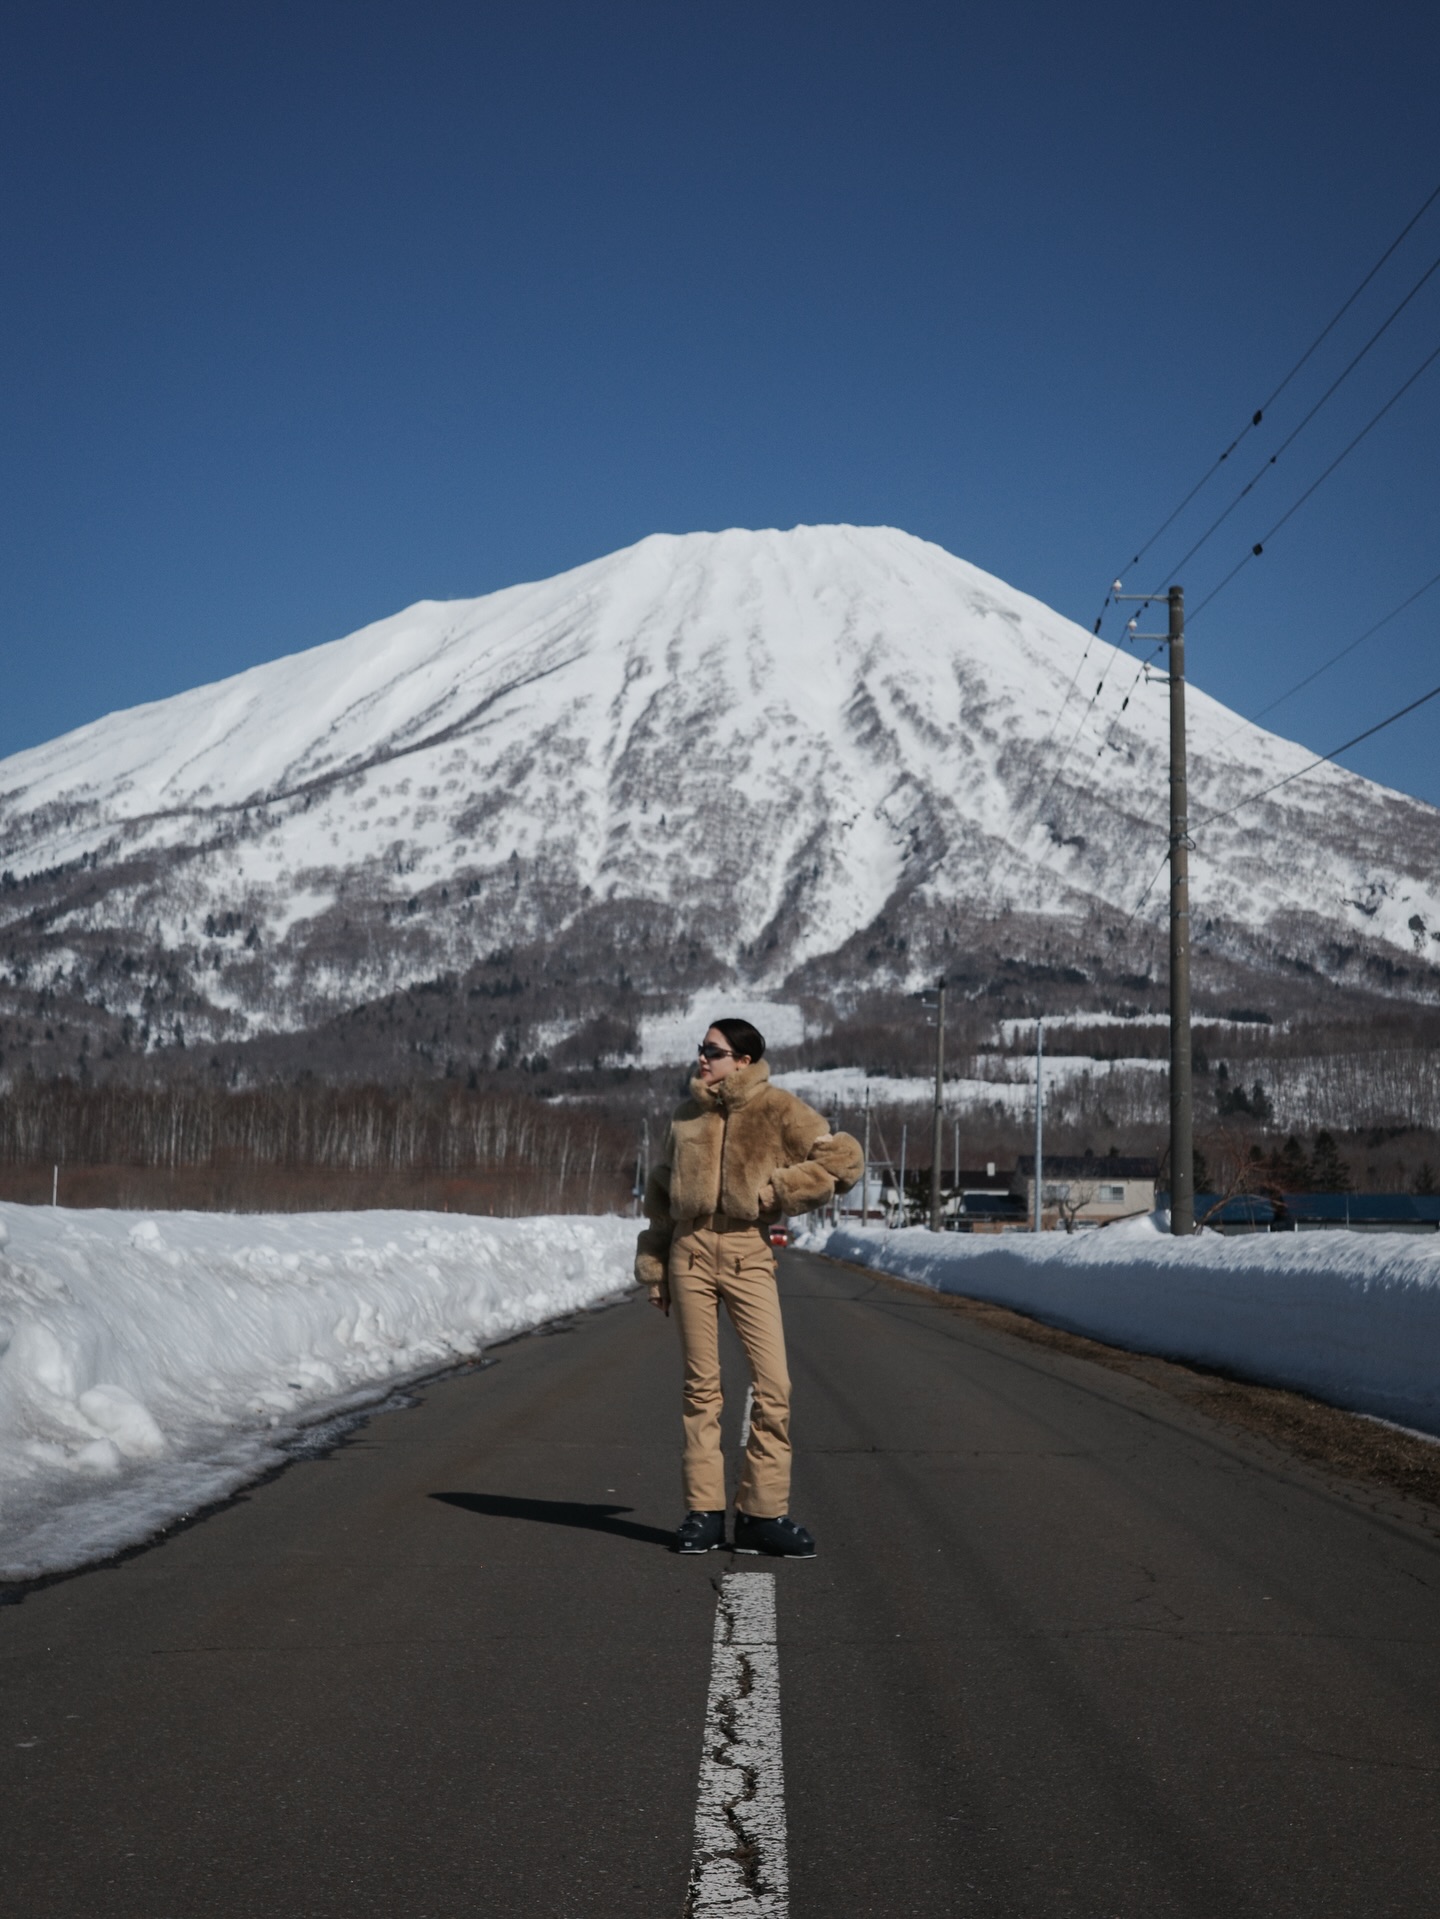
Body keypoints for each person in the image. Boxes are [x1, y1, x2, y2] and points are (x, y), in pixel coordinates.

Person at [635, 1017, 863, 1557]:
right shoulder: (685, 1115)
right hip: (689, 1252)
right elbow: (661, 1194)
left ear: (742, 1060)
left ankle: (762, 1514)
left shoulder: (778, 1108)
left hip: (748, 1253)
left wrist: (776, 1193)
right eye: (701, 1049)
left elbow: (844, 1162)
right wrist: (656, 1267)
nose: (702, 1058)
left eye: (713, 1051)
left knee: (774, 1386)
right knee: (701, 1389)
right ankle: (704, 1514)